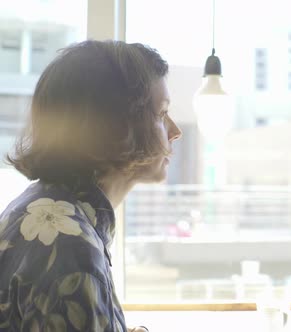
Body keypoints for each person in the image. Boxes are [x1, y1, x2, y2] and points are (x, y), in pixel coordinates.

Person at [0, 40, 182, 331]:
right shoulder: (72, 254)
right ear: (116, 126)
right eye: (161, 114)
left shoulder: (41, 210)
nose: (175, 131)